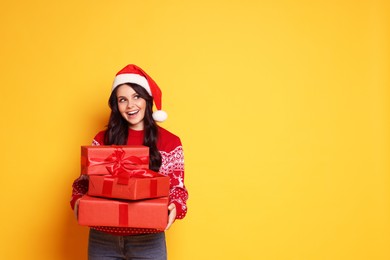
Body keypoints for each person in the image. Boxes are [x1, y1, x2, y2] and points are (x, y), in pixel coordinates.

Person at [70, 64, 188, 260]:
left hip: (148, 238)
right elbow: (84, 182)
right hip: (103, 237)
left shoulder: (169, 142)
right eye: (122, 100)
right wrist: (77, 200)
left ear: (147, 100)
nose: (130, 105)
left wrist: (175, 204)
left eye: (136, 97)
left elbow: (178, 188)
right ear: (117, 106)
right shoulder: (102, 139)